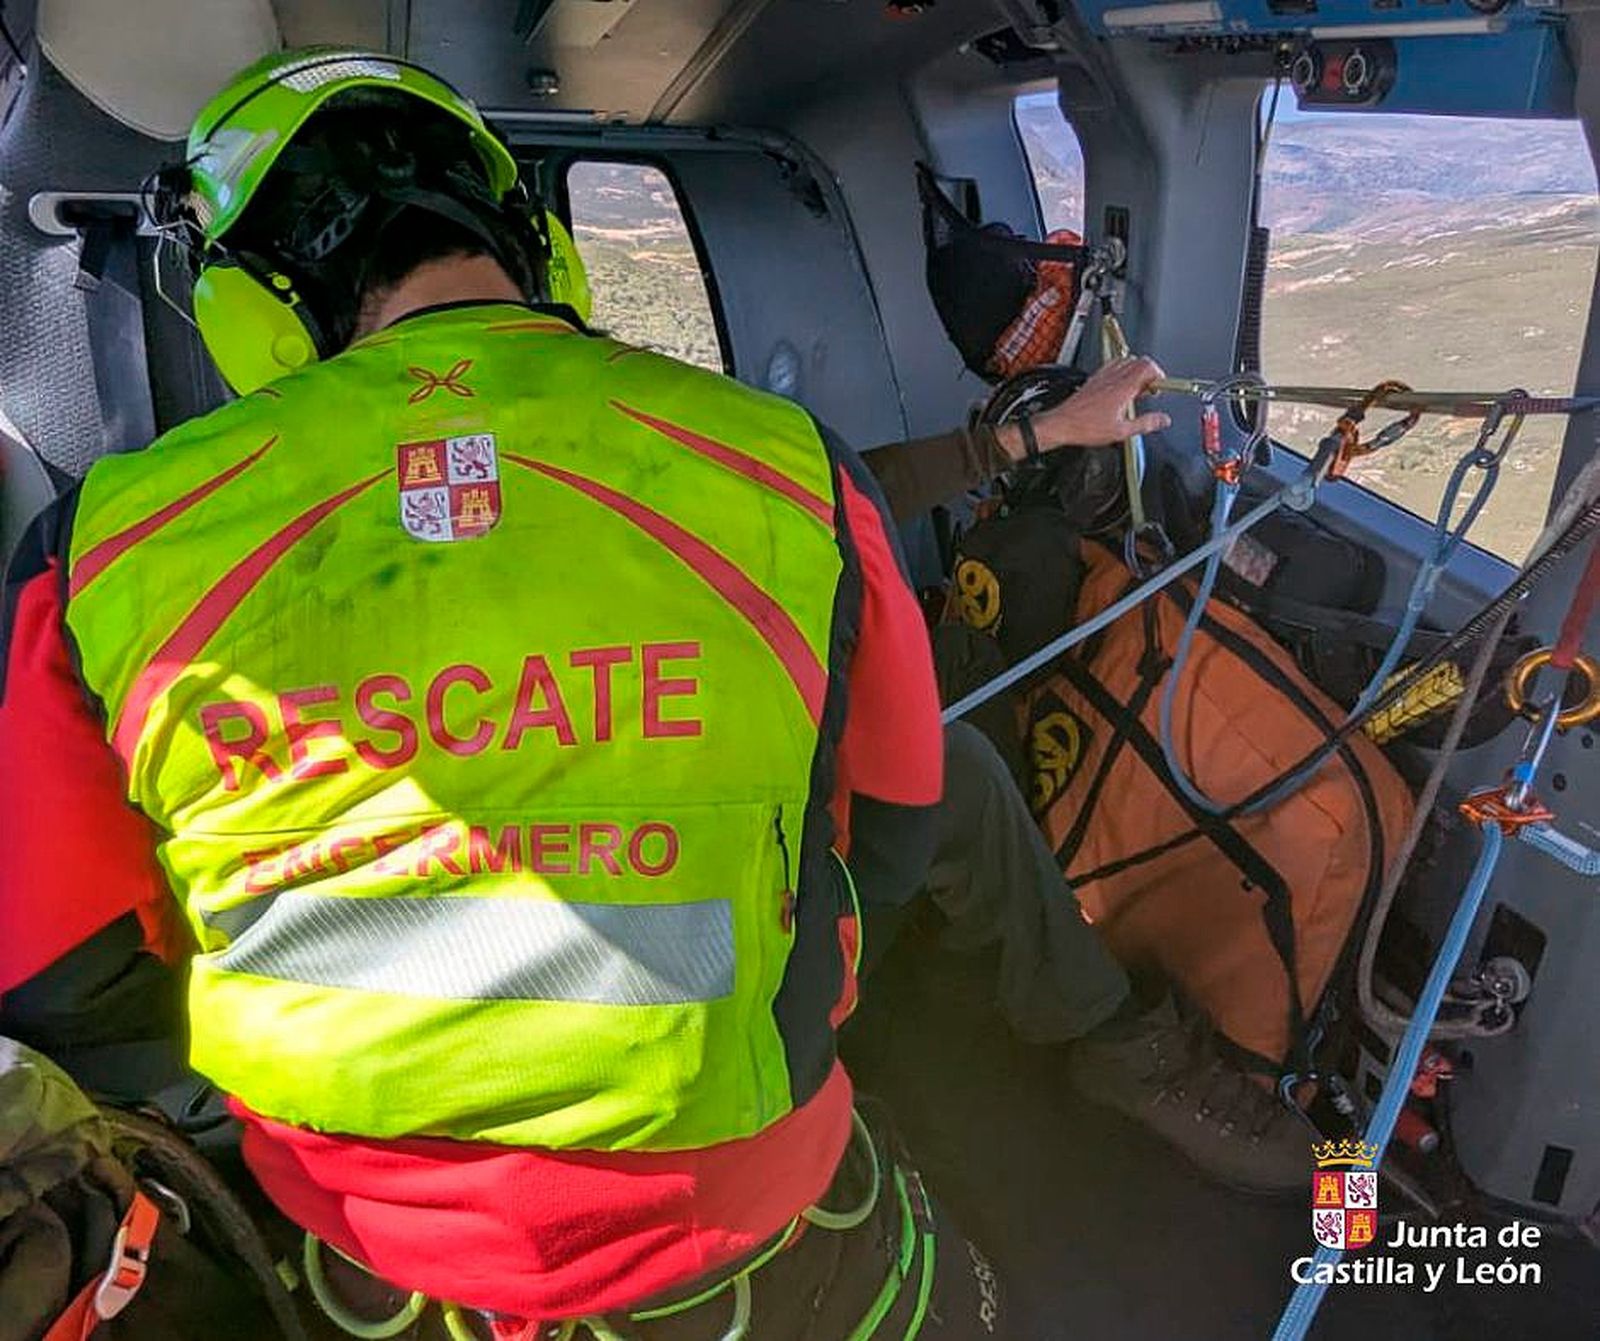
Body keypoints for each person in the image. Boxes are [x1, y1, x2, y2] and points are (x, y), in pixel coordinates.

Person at [0, 47, 988, 1336]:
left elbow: (58, 967)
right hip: (747, 1211)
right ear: (544, 253)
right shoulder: (794, 470)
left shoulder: (99, 549)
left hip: (363, 1247)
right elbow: (895, 834)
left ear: (244, 306)